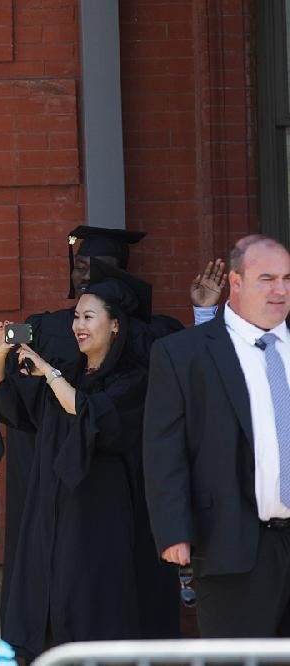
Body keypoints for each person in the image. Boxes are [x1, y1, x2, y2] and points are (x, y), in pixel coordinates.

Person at [0, 225, 224, 637]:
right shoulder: (48, 327)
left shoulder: (152, 337)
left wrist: (204, 313)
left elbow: (196, 367)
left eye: (100, 267)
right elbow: (0, 353)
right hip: (54, 489)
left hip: (117, 494)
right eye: (81, 266)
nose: (89, 275)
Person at [0, 272, 170, 659]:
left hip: (99, 523)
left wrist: (48, 371)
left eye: (88, 317)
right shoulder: (68, 374)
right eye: (75, 317)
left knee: (94, 613)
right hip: (53, 518)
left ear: (115, 324)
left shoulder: (132, 381)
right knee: (48, 609)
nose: (78, 326)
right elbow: (16, 409)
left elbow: (89, 413)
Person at [144, 234, 290, 637]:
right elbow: (164, 450)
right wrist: (174, 531)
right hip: (232, 542)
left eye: (287, 278)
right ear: (236, 282)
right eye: (267, 279)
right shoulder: (183, 353)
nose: (280, 290)